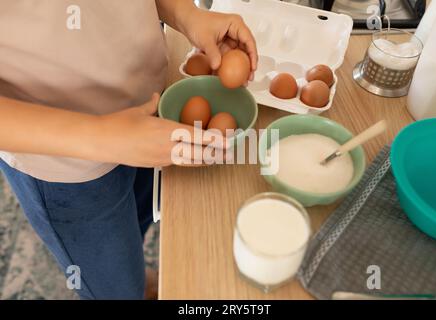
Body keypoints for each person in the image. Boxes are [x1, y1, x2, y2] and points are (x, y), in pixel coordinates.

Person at [0, 0, 257, 300]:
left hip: (148, 109)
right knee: (114, 289)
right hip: (67, 167)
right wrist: (106, 137)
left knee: (136, 221)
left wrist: (186, 14)